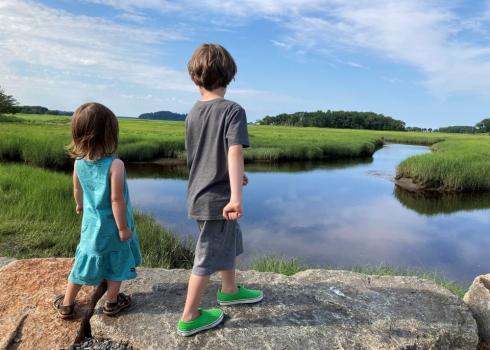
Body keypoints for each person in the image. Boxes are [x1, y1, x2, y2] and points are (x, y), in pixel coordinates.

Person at [177, 43, 263, 337]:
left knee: (227, 241)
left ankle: (229, 289)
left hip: (200, 193)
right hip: (218, 200)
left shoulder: (193, 112)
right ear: (230, 76)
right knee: (206, 255)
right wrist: (235, 197)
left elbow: (204, 155)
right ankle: (189, 316)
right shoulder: (233, 110)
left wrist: (236, 177)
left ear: (194, 79)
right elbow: (234, 151)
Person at [53, 102, 142, 318]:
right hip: (113, 226)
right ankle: (111, 302)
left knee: (83, 260)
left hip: (91, 225)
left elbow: (77, 188)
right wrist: (123, 229)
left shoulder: (78, 163)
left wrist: (80, 205)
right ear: (109, 134)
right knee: (116, 260)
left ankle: (66, 303)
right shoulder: (115, 165)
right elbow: (117, 200)